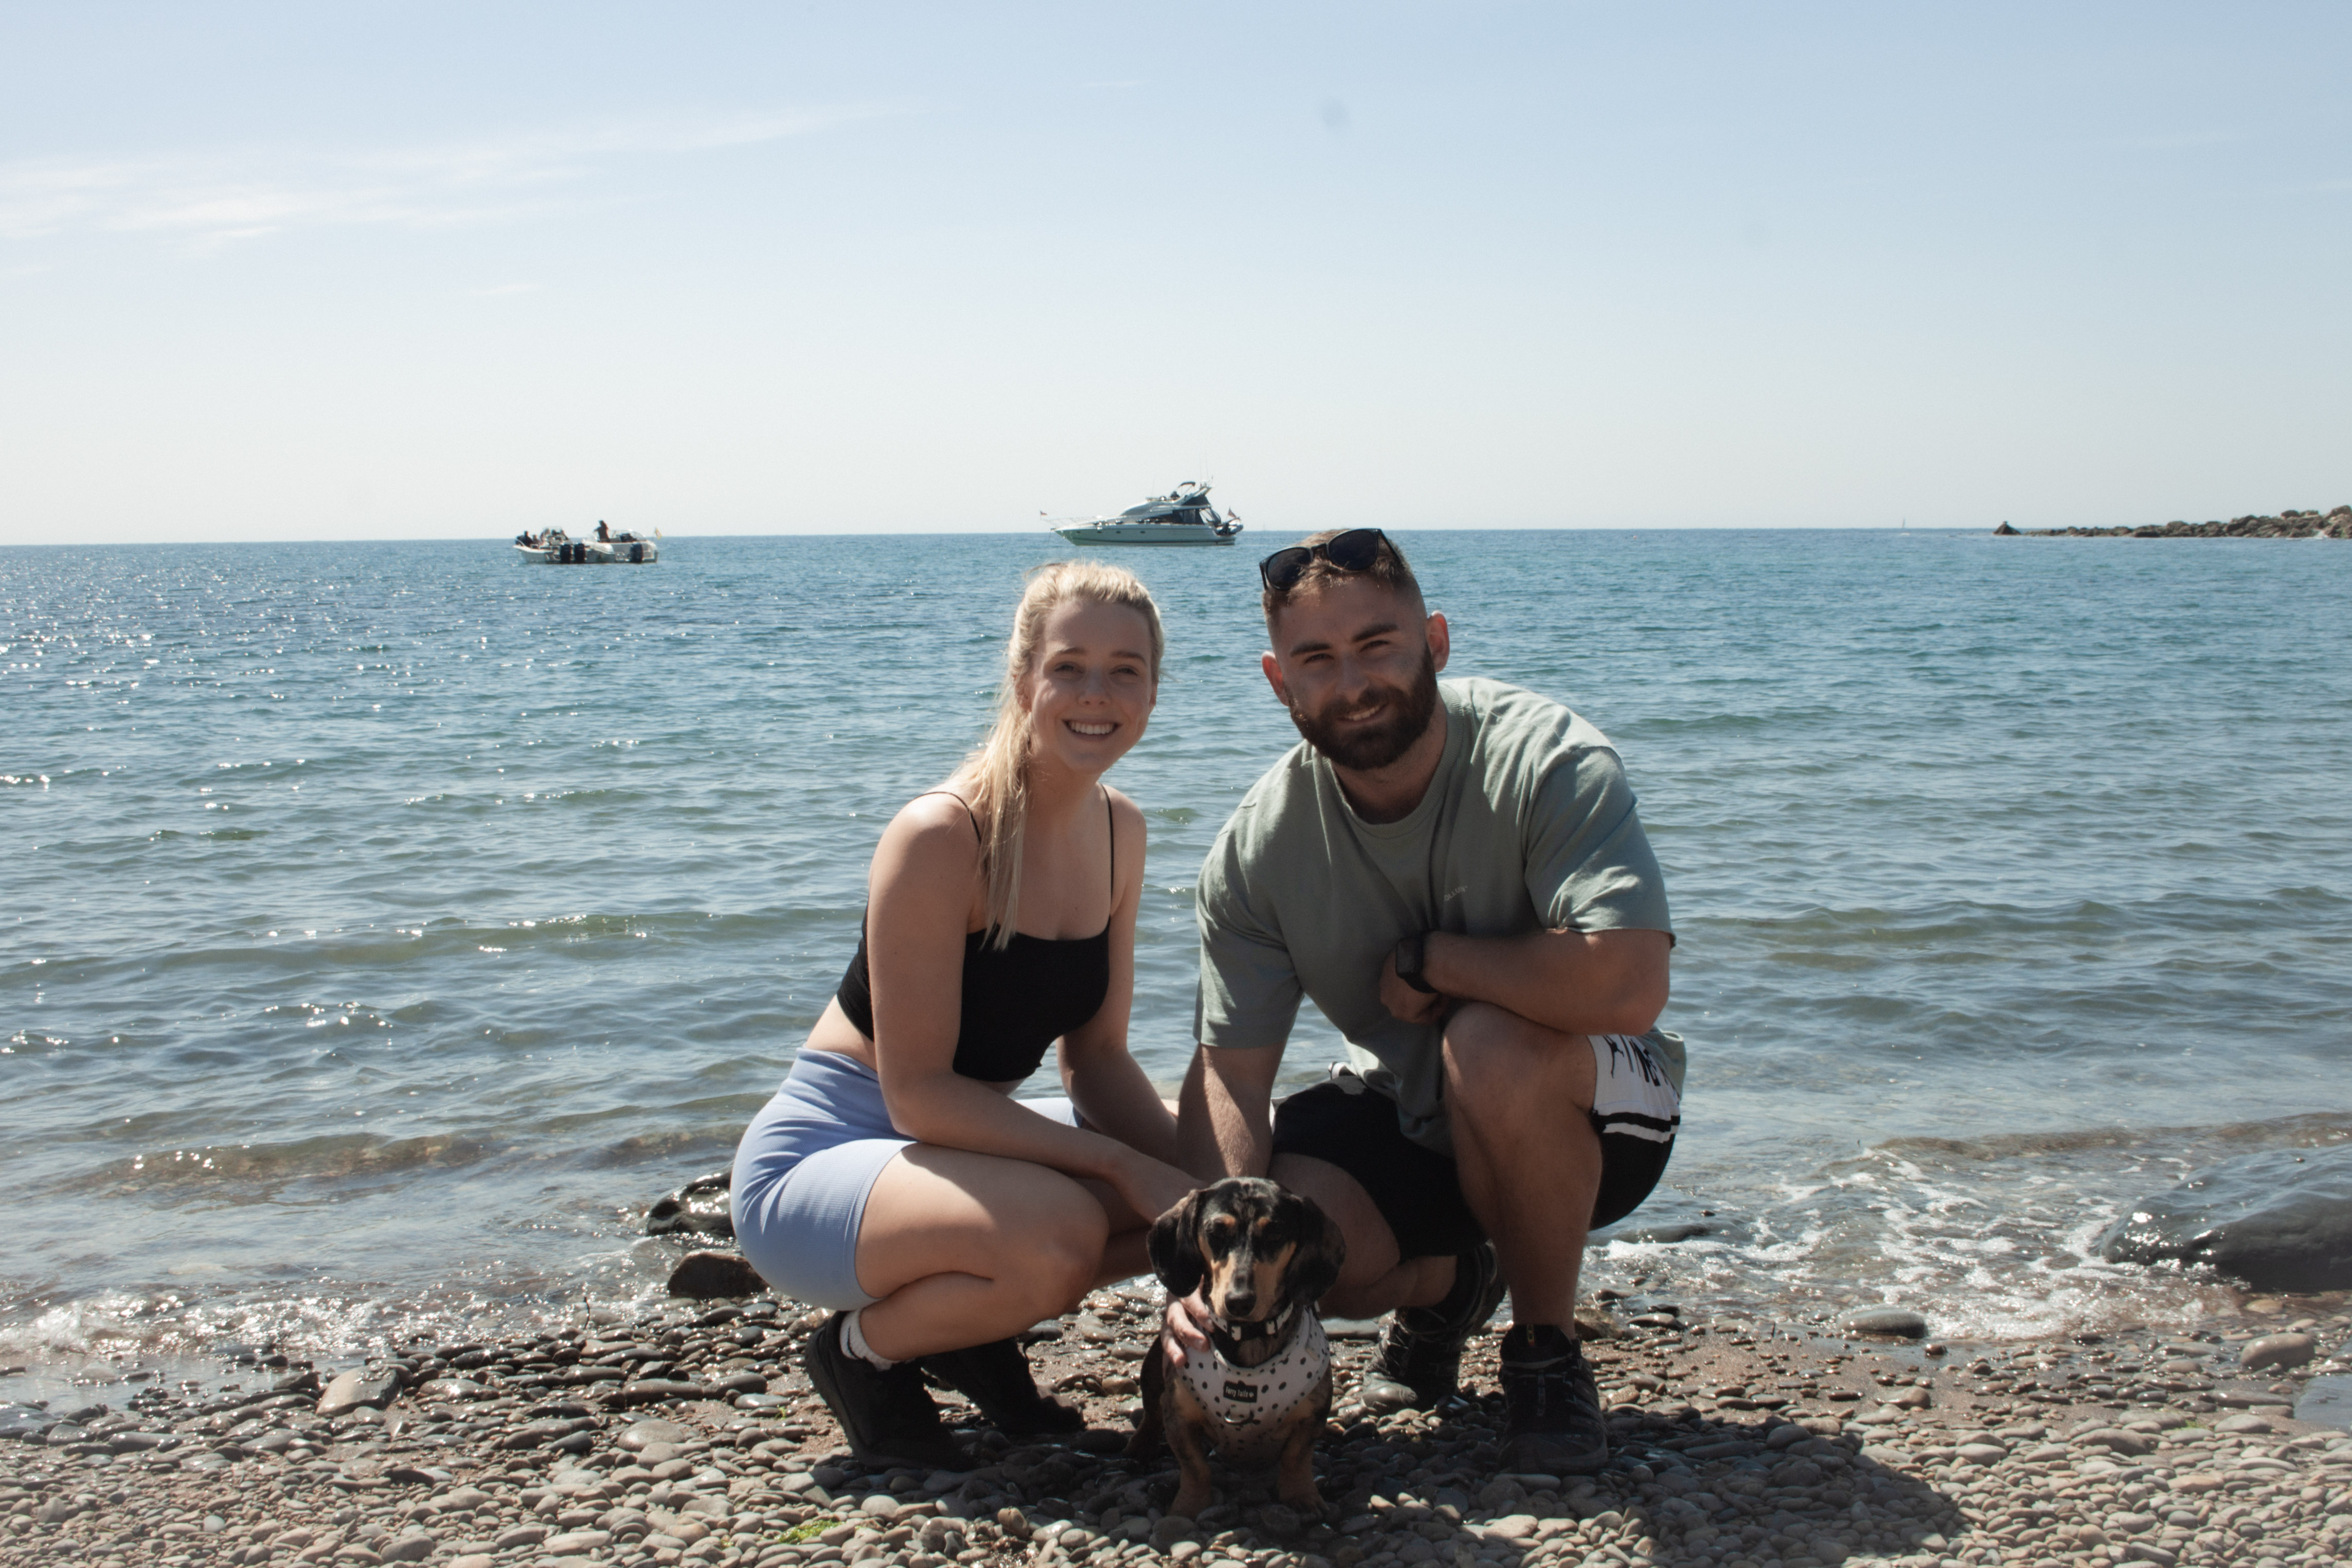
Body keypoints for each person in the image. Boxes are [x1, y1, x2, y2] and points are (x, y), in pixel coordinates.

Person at [1174, 528, 1682, 1475]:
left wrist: (1443, 959)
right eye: (1316, 659)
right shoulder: (1255, 852)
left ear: (1436, 643)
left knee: (1484, 1042)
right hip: (1415, 1111)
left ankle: (1544, 1352)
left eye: (1377, 645)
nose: (1352, 681)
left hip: (1601, 1112)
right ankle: (1454, 1283)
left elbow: (1627, 982)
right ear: (1278, 682)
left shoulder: (1547, 757)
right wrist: (1211, 1281)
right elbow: (1228, 1076)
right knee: (1298, 1229)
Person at [732, 560, 1198, 1468]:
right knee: (1062, 1232)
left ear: (1153, 688)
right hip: (823, 1161)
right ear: (1024, 678)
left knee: (1204, 1192)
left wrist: (1200, 1177)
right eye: (1069, 666)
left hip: (958, 1150)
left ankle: (967, 1319)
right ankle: (861, 1353)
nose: (1095, 693)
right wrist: (1118, 1162)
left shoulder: (1120, 831)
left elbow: (1096, 1061)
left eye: (1125, 670)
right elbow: (916, 1096)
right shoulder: (943, 833)